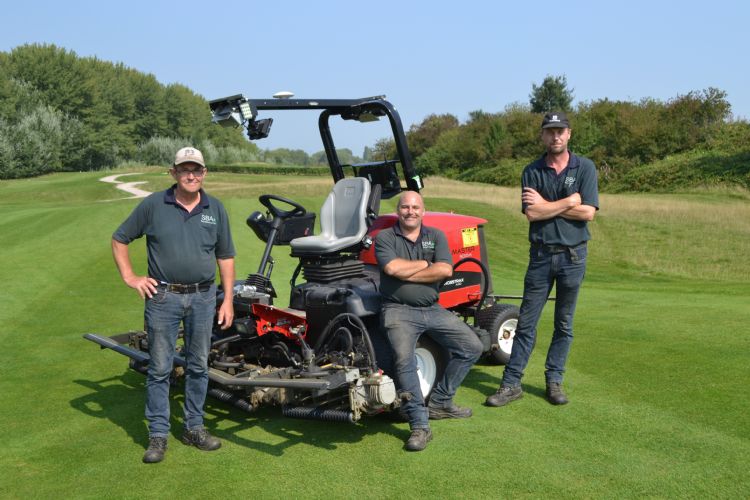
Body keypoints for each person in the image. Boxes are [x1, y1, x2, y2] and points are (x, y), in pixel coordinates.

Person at [112, 146, 236, 463]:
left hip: (204, 297)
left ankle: (194, 428)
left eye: (196, 169)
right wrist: (130, 277)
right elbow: (120, 238)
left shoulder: (215, 208)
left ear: (204, 173)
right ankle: (157, 435)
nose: (191, 175)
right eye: (184, 169)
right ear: (174, 173)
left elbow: (225, 256)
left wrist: (229, 300)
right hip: (163, 297)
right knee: (160, 368)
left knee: (198, 366)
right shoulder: (154, 205)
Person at [486, 111, 599, 408]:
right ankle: (511, 384)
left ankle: (554, 380)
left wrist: (548, 205)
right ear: (543, 136)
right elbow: (532, 213)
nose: (555, 136)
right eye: (550, 131)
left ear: (569, 134)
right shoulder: (532, 170)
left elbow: (588, 212)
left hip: (573, 256)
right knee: (526, 323)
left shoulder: (584, 167)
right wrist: (568, 201)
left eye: (560, 131)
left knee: (564, 323)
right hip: (540, 257)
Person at [376, 191, 483, 452]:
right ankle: (420, 425)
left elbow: (445, 269)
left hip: (432, 308)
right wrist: (426, 263)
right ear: (398, 210)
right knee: (404, 360)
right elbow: (392, 269)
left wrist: (408, 271)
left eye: (415, 207)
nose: (410, 211)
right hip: (398, 310)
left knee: (473, 346)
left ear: (423, 211)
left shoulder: (435, 236)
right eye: (405, 207)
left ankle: (440, 402)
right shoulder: (385, 237)